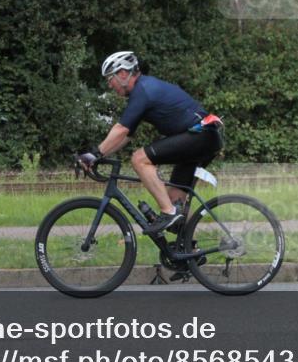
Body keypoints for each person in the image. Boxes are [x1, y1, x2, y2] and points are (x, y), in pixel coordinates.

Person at [77, 51, 223, 236]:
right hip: (201, 138)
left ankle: (168, 213)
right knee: (174, 201)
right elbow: (126, 135)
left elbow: (121, 129)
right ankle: (187, 254)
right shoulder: (143, 90)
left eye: (110, 78)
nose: (109, 84)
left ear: (123, 74)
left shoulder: (143, 90)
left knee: (139, 159)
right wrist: (100, 155)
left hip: (200, 136)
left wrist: (94, 154)